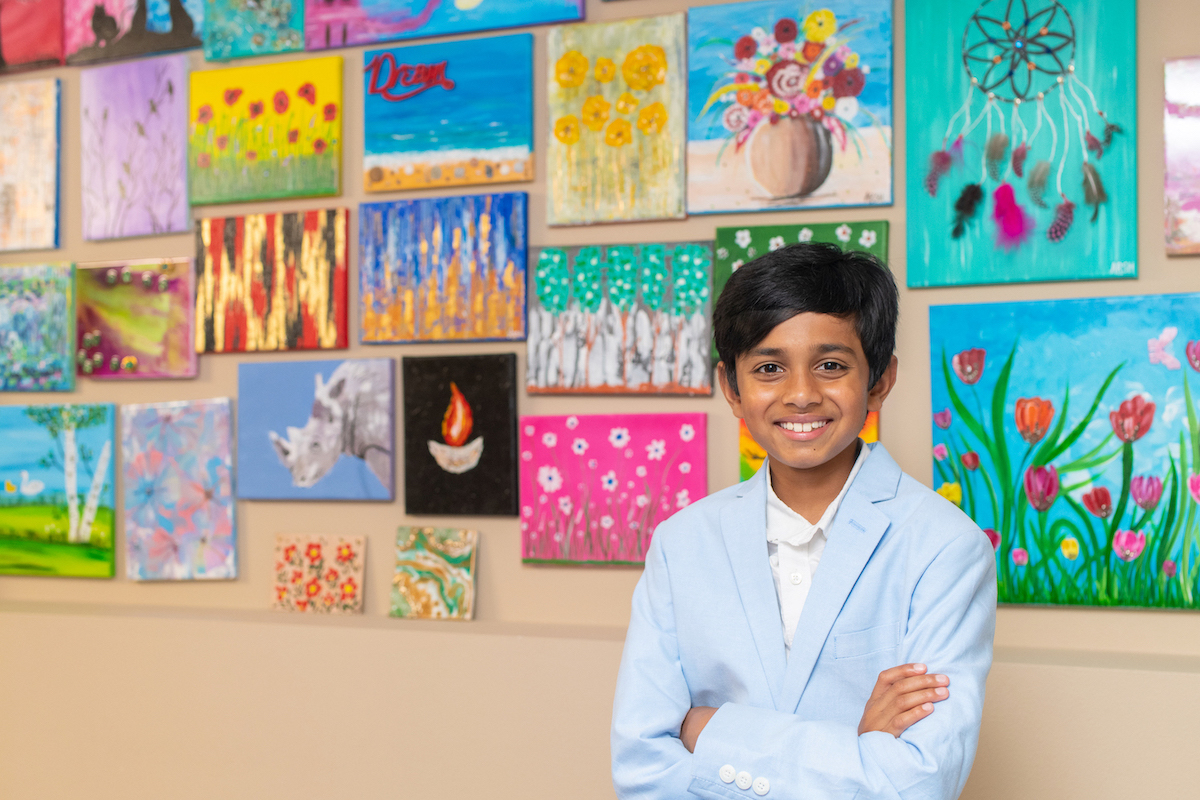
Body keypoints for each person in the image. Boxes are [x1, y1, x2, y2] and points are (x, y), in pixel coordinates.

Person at [610, 243, 996, 799]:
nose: (801, 394)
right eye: (769, 368)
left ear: (880, 381)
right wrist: (857, 746)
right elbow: (640, 770)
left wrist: (709, 730)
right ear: (732, 388)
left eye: (831, 366)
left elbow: (917, 784)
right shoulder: (681, 543)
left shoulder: (943, 546)